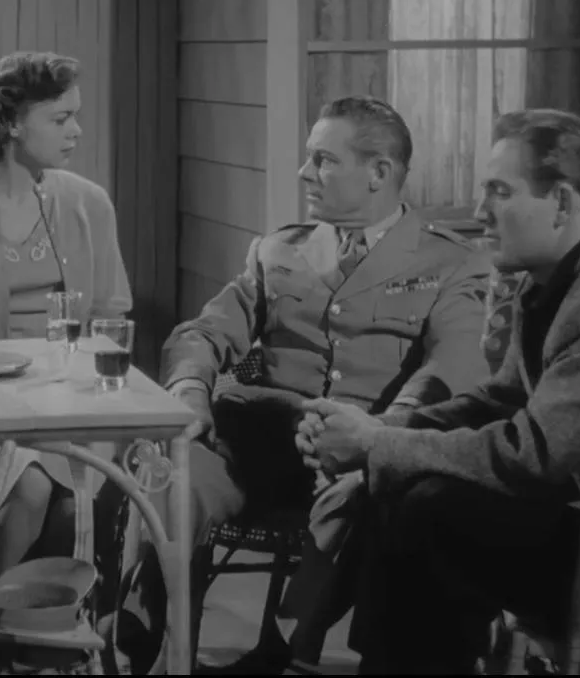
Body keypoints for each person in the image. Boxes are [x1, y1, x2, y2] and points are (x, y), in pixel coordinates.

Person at [296, 108, 580, 674]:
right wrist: (383, 430)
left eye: (499, 192)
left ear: (563, 203)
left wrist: (375, 448)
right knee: (411, 497)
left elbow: (532, 455)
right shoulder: (556, 278)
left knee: (433, 511)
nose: (480, 211)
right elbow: (499, 401)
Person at [110, 95, 494, 673]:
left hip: (357, 457)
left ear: (379, 172)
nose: (304, 172)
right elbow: (204, 332)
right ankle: (151, 648)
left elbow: (453, 369)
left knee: (358, 498)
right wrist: (190, 391)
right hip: (262, 445)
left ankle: (290, 653)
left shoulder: (452, 263)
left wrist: (377, 435)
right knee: (172, 474)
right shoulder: (279, 250)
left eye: (323, 160)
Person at [0, 52, 133, 584]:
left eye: (75, 116)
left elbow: (111, 315)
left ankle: (48, 620)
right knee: (31, 490)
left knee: (78, 506)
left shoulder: (89, 205)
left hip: (70, 404)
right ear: (12, 124)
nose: (76, 131)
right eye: (60, 119)